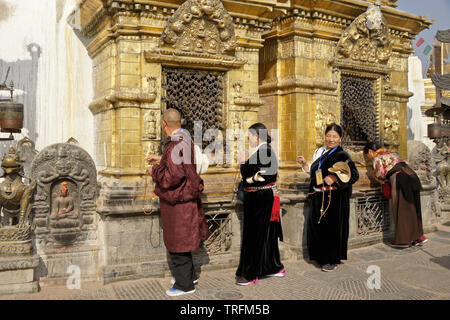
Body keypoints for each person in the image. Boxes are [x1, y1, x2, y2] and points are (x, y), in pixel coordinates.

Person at [147, 108, 210, 297]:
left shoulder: (175, 144)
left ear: (163, 124)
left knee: (178, 242)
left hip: (179, 202)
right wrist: (161, 159)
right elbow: (182, 162)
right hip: (187, 199)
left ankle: (185, 285)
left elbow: (172, 177)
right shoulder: (185, 139)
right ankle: (189, 276)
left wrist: (154, 171)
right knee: (185, 240)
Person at [297, 123, 359, 272]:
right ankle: (320, 256)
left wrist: (336, 179)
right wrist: (306, 164)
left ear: (340, 139)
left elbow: (354, 175)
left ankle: (331, 259)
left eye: (334, 136)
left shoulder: (342, 155)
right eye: (328, 136)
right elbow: (315, 173)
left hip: (334, 198)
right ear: (324, 136)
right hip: (319, 195)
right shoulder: (320, 152)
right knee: (319, 228)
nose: (331, 139)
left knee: (331, 230)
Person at [235, 123, 285, 285]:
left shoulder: (265, 151)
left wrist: (244, 162)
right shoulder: (263, 151)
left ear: (256, 136)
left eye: (249, 135)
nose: (248, 139)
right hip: (262, 196)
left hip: (260, 197)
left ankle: (251, 274)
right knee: (266, 234)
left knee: (255, 236)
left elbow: (256, 175)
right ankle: (273, 267)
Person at [363, 141, 428, 248]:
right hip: (412, 177)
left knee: (401, 210)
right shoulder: (391, 153)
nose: (368, 158)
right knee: (414, 208)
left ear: (370, 151)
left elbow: (381, 174)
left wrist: (374, 176)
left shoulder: (377, 157)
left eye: (367, 155)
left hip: (400, 179)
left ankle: (403, 241)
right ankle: (419, 237)